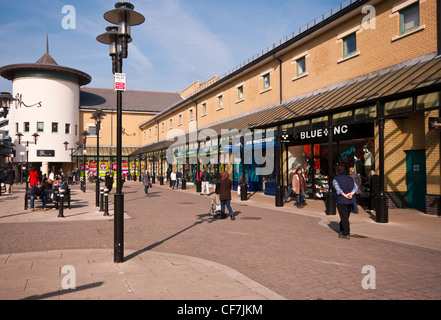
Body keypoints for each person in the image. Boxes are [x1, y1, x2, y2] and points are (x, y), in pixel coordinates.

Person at [332, 164, 359, 239]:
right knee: (346, 216)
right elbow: (356, 187)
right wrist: (351, 193)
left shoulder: (335, 179)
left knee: (344, 217)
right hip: (350, 199)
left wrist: (345, 195)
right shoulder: (350, 178)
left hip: (341, 200)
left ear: (337, 171)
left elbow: (338, 189)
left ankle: (346, 233)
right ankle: (342, 229)